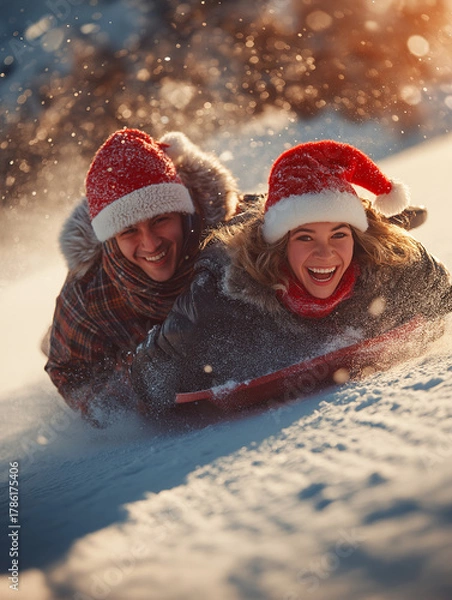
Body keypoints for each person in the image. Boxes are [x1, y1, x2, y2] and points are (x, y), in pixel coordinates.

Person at [132, 140, 452, 419]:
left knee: (384, 230)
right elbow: (154, 373)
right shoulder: (220, 292)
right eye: (305, 238)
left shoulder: (398, 265)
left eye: (339, 234)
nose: (324, 253)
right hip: (245, 236)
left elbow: (443, 300)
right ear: (281, 247)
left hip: (356, 230)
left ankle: (382, 219)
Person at [44, 128, 240, 426]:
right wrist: (141, 377)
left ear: (182, 214)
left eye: (160, 220)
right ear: (112, 238)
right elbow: (71, 373)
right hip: (109, 345)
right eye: (129, 231)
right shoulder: (87, 293)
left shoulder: (229, 232)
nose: (150, 244)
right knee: (53, 341)